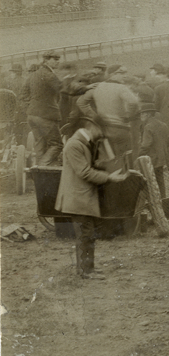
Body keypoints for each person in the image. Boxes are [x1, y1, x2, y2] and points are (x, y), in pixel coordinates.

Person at [56, 116, 130, 279]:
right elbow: (84, 172)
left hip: (82, 198)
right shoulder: (75, 145)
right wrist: (109, 177)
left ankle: (88, 268)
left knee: (88, 235)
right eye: (101, 130)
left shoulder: (83, 144)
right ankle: (85, 271)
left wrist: (108, 172)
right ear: (91, 127)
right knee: (85, 235)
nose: (102, 134)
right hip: (78, 199)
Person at [27, 50, 64, 165]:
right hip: (46, 116)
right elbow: (63, 88)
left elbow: (23, 94)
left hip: (32, 115)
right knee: (57, 144)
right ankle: (42, 167)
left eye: (58, 59)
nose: (58, 62)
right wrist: (84, 88)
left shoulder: (34, 74)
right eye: (55, 59)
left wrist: (32, 107)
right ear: (47, 60)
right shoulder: (49, 74)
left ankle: (38, 173)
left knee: (40, 144)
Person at [140, 101, 169, 198]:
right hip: (162, 158)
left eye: (142, 113)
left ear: (148, 114)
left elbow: (146, 145)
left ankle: (149, 201)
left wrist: (137, 155)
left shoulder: (148, 127)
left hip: (151, 159)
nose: (141, 116)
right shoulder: (163, 125)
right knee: (160, 180)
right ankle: (163, 199)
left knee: (146, 180)